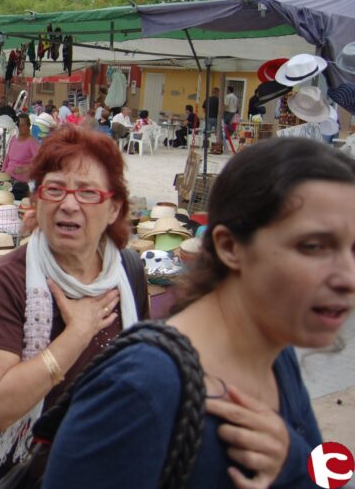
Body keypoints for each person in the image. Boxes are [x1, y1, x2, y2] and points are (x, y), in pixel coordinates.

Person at [41, 137, 355, 488]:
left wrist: (291, 460)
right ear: (230, 247)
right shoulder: (139, 389)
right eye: (313, 246)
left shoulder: (277, 357)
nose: (348, 277)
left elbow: (320, 473)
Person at [0, 126, 149, 488]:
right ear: (38, 202)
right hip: (6, 467)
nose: (69, 204)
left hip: (90, 466)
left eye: (88, 192)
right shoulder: (7, 279)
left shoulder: (129, 272)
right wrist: (78, 333)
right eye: (54, 189)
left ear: (113, 208)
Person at [2, 114, 40, 185]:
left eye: (22, 125)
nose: (19, 127)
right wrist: (3, 171)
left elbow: (39, 161)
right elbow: (7, 157)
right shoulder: (14, 138)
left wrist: (24, 169)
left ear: (28, 126)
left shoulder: (32, 142)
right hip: (8, 177)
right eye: (18, 125)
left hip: (21, 181)